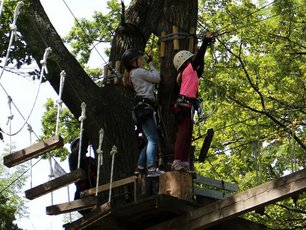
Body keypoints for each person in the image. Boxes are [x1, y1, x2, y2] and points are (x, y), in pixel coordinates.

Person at [172, 31, 214, 172]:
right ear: (186, 62)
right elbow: (199, 58)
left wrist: (206, 45)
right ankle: (177, 161)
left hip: (188, 107)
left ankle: (184, 162)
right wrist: (205, 42)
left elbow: (200, 64)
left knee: (188, 136)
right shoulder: (187, 70)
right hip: (183, 106)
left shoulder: (192, 73)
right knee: (183, 134)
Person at [122, 48, 164, 177]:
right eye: (140, 59)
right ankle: (151, 168)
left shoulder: (134, 73)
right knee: (153, 139)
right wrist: (151, 64)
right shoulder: (139, 72)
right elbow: (157, 78)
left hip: (141, 110)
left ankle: (140, 167)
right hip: (145, 109)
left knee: (148, 140)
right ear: (133, 63)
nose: (142, 61)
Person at [68, 135, 97, 215]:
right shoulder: (73, 158)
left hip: (98, 192)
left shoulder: (91, 160)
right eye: (78, 144)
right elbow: (81, 149)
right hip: (83, 196)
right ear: (74, 148)